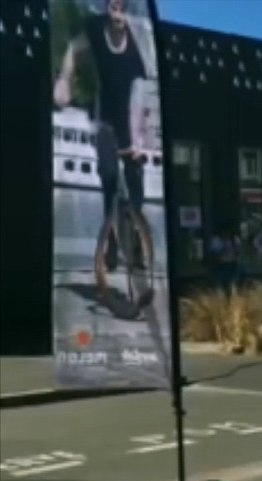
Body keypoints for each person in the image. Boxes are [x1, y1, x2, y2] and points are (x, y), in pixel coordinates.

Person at [53, 0, 154, 305]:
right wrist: (65, 78)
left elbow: (139, 98)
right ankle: (109, 240)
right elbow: (76, 49)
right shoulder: (96, 28)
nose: (118, 11)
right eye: (114, 5)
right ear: (109, 9)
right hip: (104, 123)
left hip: (128, 125)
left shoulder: (137, 52)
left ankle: (132, 248)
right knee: (109, 177)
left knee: (135, 190)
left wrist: (137, 141)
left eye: (124, 8)